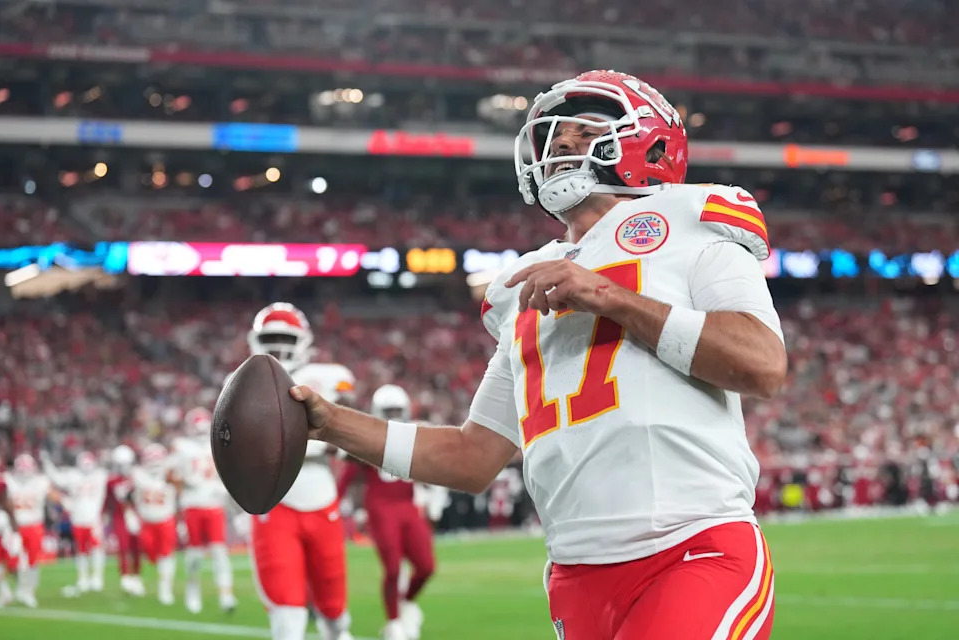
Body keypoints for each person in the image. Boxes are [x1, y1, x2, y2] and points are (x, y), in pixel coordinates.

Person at [288, 70, 786, 640]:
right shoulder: (524, 286)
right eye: (554, 135)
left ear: (650, 141)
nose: (563, 141)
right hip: (575, 574)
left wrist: (610, 296)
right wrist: (332, 424)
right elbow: (471, 456)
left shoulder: (692, 223)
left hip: (693, 549)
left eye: (586, 126)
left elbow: (762, 365)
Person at [246, 302, 355, 640]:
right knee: (286, 607)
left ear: (304, 340)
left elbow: (350, 434)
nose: (278, 344)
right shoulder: (241, 382)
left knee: (334, 605)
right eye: (271, 336)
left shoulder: (332, 376)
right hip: (272, 498)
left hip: (320, 493)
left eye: (285, 336)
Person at [337, 385, 435, 640]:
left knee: (426, 566)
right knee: (392, 569)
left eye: (396, 410)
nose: (393, 414)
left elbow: (429, 464)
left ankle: (406, 602)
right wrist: (336, 503)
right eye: (388, 410)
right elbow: (349, 474)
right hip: (380, 508)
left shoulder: (412, 435)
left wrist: (434, 491)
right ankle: (393, 623)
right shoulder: (370, 438)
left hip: (408, 505)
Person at [169, 407, 237, 614]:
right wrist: (180, 498)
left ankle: (226, 593)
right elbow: (172, 476)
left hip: (214, 503)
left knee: (219, 551)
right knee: (195, 553)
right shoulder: (181, 447)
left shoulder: (219, 444)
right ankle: (193, 589)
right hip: (193, 504)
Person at [41, 451, 108, 594]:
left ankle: (96, 577)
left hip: (93, 519)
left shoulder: (100, 475)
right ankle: (83, 579)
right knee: (81, 551)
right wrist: (47, 464)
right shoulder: (74, 476)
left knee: (96, 549)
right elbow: (57, 478)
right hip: (78, 519)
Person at [130, 443, 179, 605]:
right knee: (150, 554)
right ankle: (162, 579)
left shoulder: (170, 474)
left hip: (166, 520)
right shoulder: (138, 475)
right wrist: (131, 514)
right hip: (147, 521)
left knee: (166, 555)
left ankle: (165, 589)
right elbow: (133, 496)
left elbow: (179, 492)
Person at [1, 454, 50, 607]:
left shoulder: (41, 482)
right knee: (13, 561)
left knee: (32, 562)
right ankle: (18, 590)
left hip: (35, 525)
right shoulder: (7, 480)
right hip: (15, 527)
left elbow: (52, 494)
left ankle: (28, 592)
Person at [105, 445, 145, 596]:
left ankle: (136, 576)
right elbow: (108, 501)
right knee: (123, 547)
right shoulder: (111, 481)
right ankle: (125, 576)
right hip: (119, 516)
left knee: (137, 548)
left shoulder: (136, 477)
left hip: (135, 514)